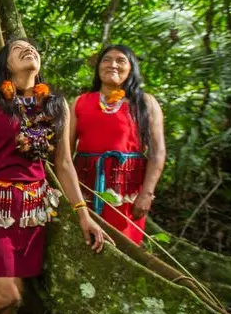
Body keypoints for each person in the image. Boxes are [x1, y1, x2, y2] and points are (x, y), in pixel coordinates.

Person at [0, 37, 109, 314]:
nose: (28, 50)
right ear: (5, 65)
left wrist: (83, 214)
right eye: (17, 49)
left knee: (17, 293)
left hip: (32, 212)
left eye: (32, 48)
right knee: (5, 292)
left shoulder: (55, 105)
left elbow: (63, 164)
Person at [71, 45, 166, 246]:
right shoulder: (80, 102)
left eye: (121, 60)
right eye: (106, 60)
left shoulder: (145, 103)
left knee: (124, 246)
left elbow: (157, 153)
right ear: (98, 67)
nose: (112, 65)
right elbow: (65, 151)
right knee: (83, 243)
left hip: (127, 192)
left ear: (131, 68)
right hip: (84, 188)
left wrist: (147, 194)